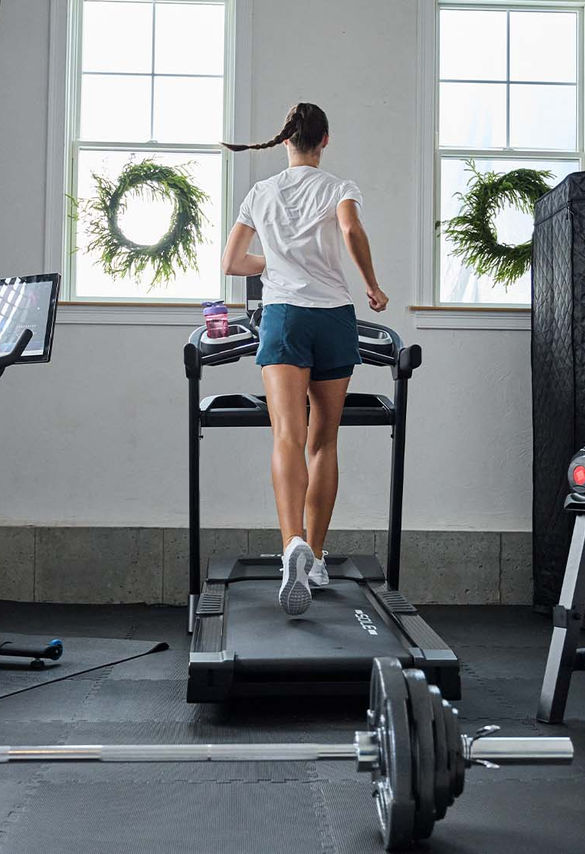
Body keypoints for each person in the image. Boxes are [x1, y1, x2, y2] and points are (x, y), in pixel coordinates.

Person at [220, 103, 389, 616]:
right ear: (325, 141)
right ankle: (314, 557)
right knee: (324, 440)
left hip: (284, 318)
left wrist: (276, 259)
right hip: (333, 317)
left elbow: (230, 264)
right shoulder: (339, 186)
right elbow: (352, 232)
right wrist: (372, 286)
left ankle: (291, 540)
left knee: (287, 437)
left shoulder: (261, 192)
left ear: (286, 143)